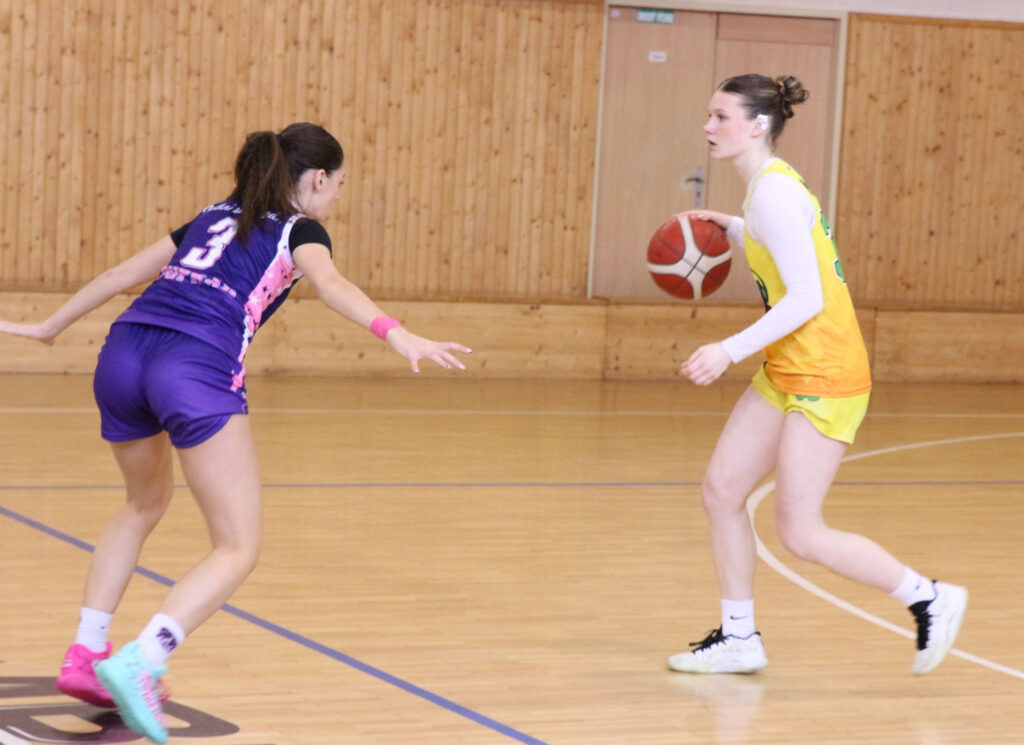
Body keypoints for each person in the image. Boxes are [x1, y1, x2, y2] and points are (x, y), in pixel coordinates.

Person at [0, 123, 471, 743]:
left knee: (141, 505)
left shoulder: (212, 215)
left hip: (124, 353)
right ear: (318, 178)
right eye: (341, 183)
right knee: (237, 546)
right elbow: (330, 284)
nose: (339, 195)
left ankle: (86, 652)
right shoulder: (300, 230)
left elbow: (120, 274)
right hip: (193, 365)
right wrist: (396, 332)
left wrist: (48, 328)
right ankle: (144, 658)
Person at [667, 75, 967, 676]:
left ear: (758, 124)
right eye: (709, 115)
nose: (707, 126)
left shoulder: (774, 194)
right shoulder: (765, 190)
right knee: (722, 491)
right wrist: (732, 227)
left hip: (826, 373)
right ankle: (739, 638)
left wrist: (727, 349)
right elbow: (780, 244)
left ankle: (928, 597)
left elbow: (806, 297)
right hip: (789, 367)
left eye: (720, 116)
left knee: (800, 533)